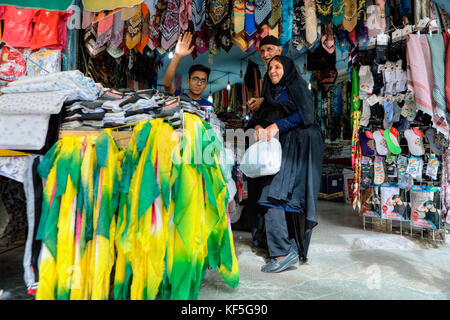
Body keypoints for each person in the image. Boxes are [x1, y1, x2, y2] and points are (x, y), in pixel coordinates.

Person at [246, 55, 324, 273]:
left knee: (273, 196)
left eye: (278, 67)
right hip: (278, 152)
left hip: (298, 150)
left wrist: (277, 126)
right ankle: (287, 247)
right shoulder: (270, 94)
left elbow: (306, 115)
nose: (272, 71)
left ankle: (282, 253)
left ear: (287, 69)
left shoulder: (296, 87)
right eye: (270, 67)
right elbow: (259, 119)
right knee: (278, 197)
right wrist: (260, 127)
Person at [162, 32, 214, 109]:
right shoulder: (178, 97)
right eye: (195, 79)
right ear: (188, 81)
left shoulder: (209, 106)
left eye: (203, 80)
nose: (199, 83)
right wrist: (177, 55)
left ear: (206, 85)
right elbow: (167, 84)